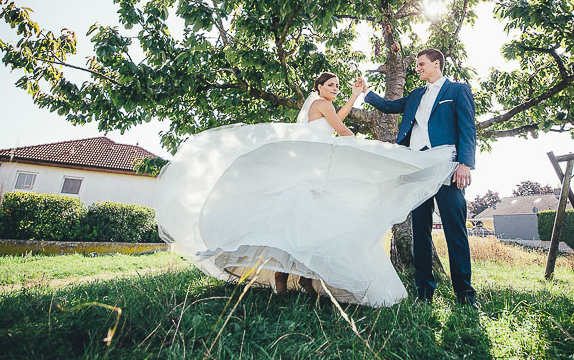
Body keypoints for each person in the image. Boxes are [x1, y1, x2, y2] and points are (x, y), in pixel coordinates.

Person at [154, 71, 458, 307]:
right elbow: (341, 129)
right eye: (332, 85)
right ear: (319, 88)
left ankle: (297, 281)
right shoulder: (322, 104)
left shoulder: (318, 105)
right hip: (312, 174)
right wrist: (374, 151)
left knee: (298, 224)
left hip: (310, 172)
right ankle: (290, 280)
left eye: (338, 85)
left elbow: (335, 118)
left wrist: (352, 97)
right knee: (301, 224)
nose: (335, 89)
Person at [362, 48, 478, 308]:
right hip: (417, 167)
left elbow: (468, 128)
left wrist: (466, 164)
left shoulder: (458, 91)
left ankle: (465, 295)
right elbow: (388, 106)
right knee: (420, 232)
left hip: (446, 165)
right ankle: (424, 292)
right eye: (417, 64)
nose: (418, 68)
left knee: (455, 231)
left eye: (422, 64)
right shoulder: (415, 95)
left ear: (437, 64)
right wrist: (365, 92)